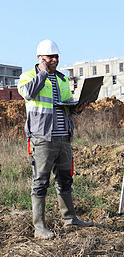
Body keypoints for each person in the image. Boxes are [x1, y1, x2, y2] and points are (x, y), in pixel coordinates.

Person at [18, 39, 93, 239]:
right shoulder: (27, 77)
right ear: (40, 58)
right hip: (42, 139)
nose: (54, 60)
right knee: (41, 181)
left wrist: (76, 109)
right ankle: (39, 227)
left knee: (65, 180)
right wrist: (42, 73)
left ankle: (70, 219)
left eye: (56, 57)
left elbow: (66, 105)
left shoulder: (61, 79)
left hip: (63, 138)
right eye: (50, 57)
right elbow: (28, 93)